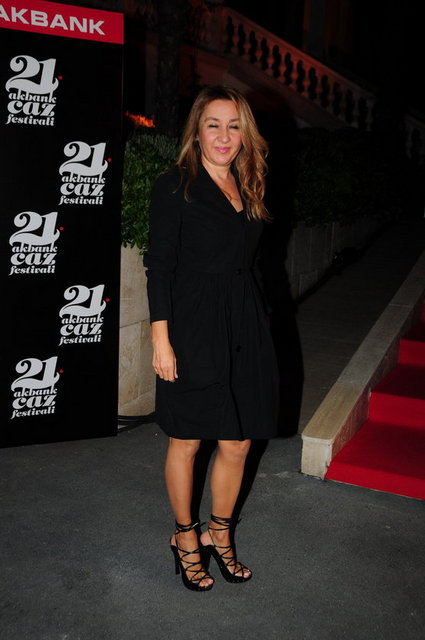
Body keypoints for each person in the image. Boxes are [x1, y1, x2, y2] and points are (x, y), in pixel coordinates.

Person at [144, 85, 279, 591]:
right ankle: (184, 537)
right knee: (188, 438)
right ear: (196, 132)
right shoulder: (175, 185)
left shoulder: (249, 183)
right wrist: (161, 340)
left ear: (246, 133)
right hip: (193, 324)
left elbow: (251, 263)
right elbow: (159, 266)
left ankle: (219, 534)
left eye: (234, 126)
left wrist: (262, 321)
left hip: (243, 324)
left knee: (238, 440)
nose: (224, 136)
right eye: (213, 125)